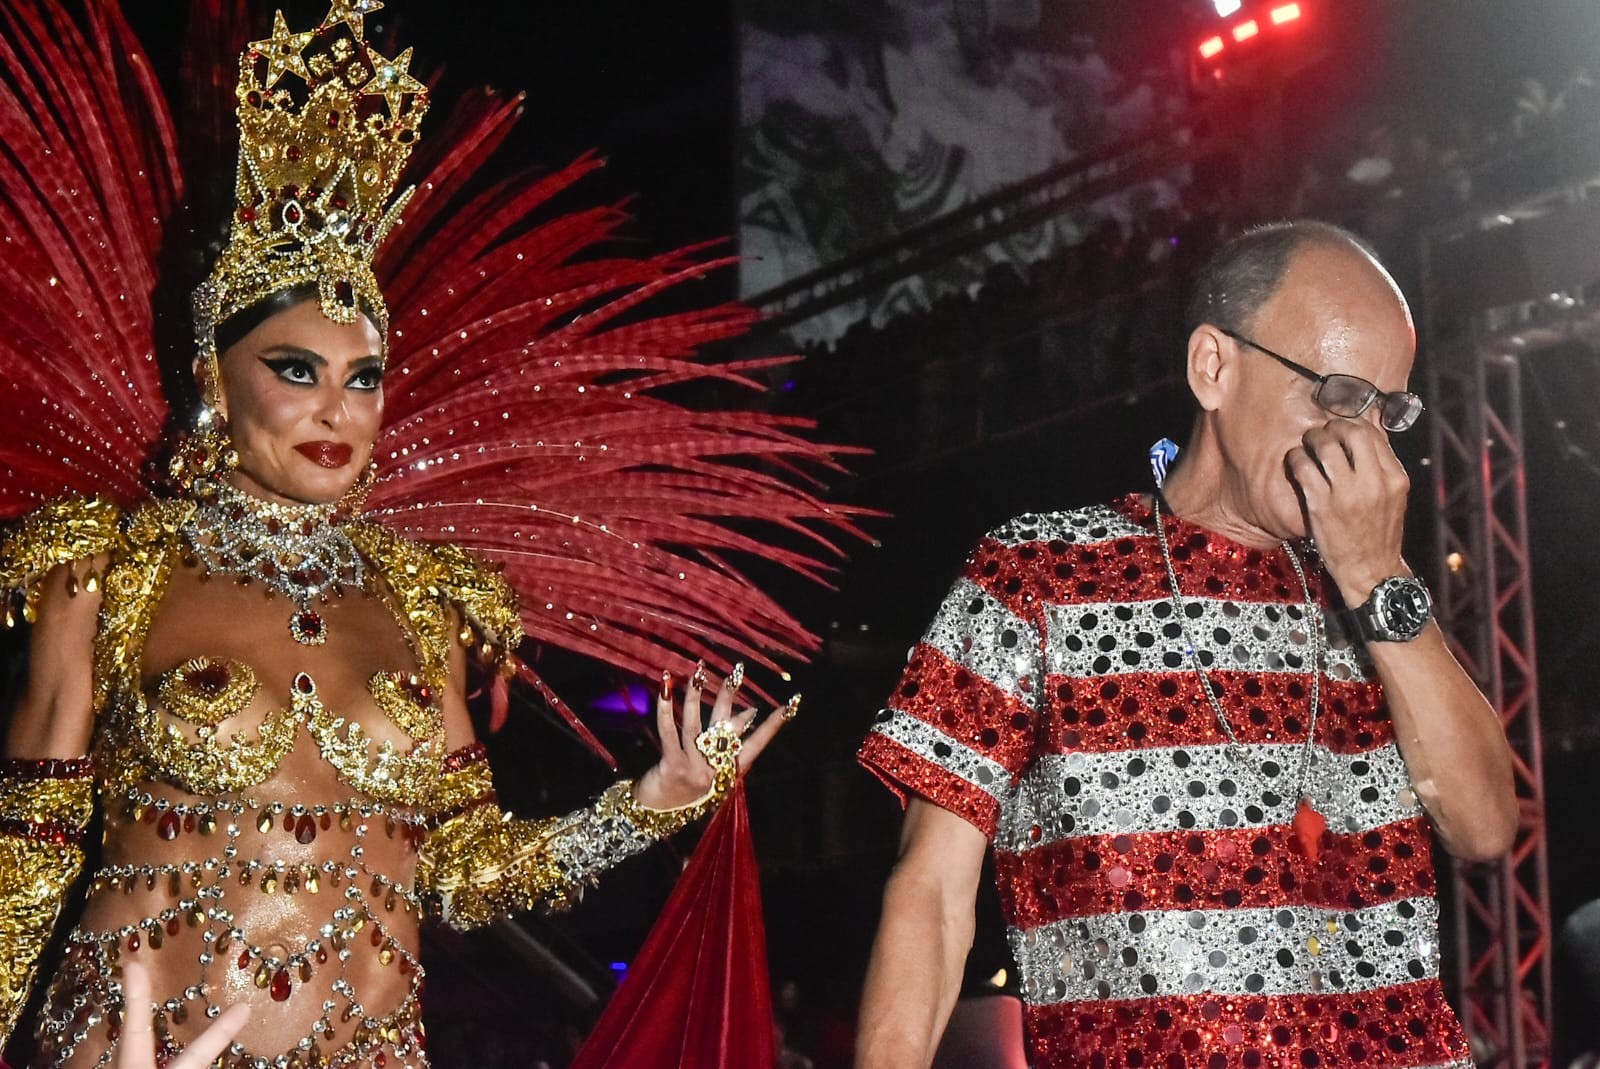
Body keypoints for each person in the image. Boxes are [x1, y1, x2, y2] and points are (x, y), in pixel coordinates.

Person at [0, 3, 843, 1067]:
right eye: (295, 369)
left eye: (363, 377)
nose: (335, 408)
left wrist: (646, 805)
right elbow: (25, 860)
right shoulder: (111, 571)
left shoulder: (421, 599)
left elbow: (463, 874)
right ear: (215, 377)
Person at [854, 220, 1519, 1069]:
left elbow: (1484, 824)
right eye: (1338, 395)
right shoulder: (1036, 575)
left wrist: (1377, 576)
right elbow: (933, 894)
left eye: (1385, 412)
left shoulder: (1378, 602)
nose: (1361, 443)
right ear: (1213, 367)